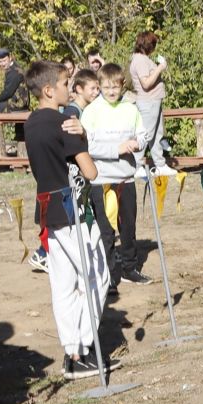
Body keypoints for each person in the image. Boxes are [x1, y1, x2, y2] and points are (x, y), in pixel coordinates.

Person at [24, 61, 110, 378]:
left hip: (48, 208)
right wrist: (81, 137)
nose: (68, 87)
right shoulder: (65, 122)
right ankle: (81, 350)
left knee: (63, 283)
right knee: (96, 277)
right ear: (49, 90)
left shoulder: (31, 123)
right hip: (72, 208)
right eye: (64, 83)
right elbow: (90, 171)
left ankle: (71, 347)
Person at [83, 62, 148, 283]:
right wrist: (115, 149)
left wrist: (137, 143)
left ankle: (130, 268)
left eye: (116, 87)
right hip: (101, 180)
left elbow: (143, 135)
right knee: (106, 231)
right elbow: (85, 147)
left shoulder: (131, 109)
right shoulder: (90, 112)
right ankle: (109, 275)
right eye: (107, 87)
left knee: (128, 226)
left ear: (122, 85)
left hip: (126, 178)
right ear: (99, 85)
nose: (111, 91)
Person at [128, 31, 171, 171]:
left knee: (156, 135)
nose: (155, 47)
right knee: (146, 134)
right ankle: (135, 164)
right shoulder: (140, 60)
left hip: (154, 101)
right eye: (153, 44)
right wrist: (160, 67)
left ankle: (160, 164)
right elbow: (146, 83)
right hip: (148, 102)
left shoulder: (143, 58)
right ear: (148, 45)